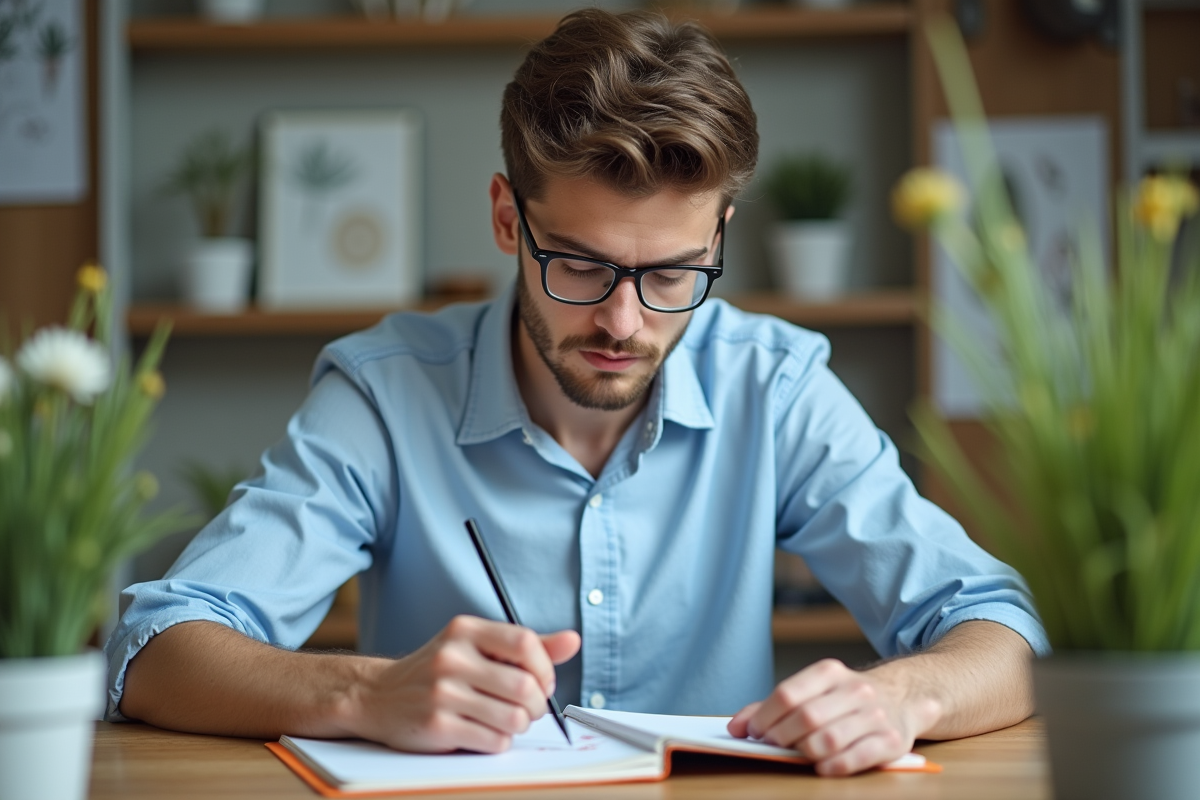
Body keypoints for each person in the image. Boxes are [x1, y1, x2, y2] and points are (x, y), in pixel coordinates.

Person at [106, 9, 1048, 776]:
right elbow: (154, 649)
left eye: (674, 274)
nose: (625, 324)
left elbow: (1002, 632)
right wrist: (361, 693)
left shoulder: (776, 385)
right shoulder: (387, 393)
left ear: (720, 237)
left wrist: (902, 693)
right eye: (582, 268)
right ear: (508, 218)